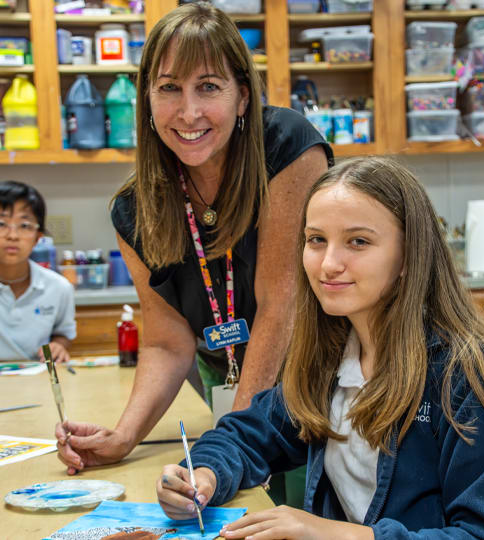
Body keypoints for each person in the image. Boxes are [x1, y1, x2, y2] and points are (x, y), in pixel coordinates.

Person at [156, 156, 484, 538]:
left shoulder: (471, 375)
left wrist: (337, 533)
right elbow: (250, 434)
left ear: (408, 255)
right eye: (316, 240)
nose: (328, 264)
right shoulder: (332, 355)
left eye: (358, 242)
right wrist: (202, 474)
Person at [55, 2, 332, 475]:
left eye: (208, 87)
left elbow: (281, 303)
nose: (189, 112)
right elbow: (168, 344)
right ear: (146, 99)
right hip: (234, 389)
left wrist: (232, 444)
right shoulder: (134, 210)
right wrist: (124, 437)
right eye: (169, 88)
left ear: (242, 96)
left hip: (322, 382)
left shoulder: (285, 147)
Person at [0, 180, 75, 363]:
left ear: (38, 238)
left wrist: (58, 345)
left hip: (36, 381)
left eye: (24, 226)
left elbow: (63, 334)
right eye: (1, 223)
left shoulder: (58, 288)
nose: (12, 235)